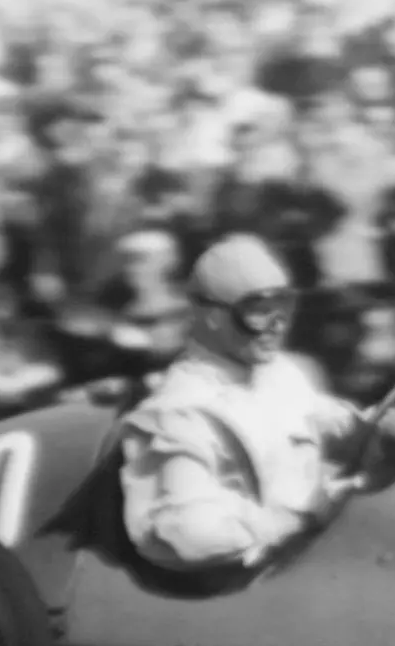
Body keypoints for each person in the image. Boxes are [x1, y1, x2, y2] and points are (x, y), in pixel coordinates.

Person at [118, 235, 377, 571]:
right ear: (213, 316)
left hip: (320, 556)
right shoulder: (181, 410)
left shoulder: (280, 372)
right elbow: (190, 535)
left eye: (283, 307)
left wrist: (378, 426)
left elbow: (331, 421)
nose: (276, 325)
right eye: (257, 310)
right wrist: (296, 517)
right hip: (257, 583)